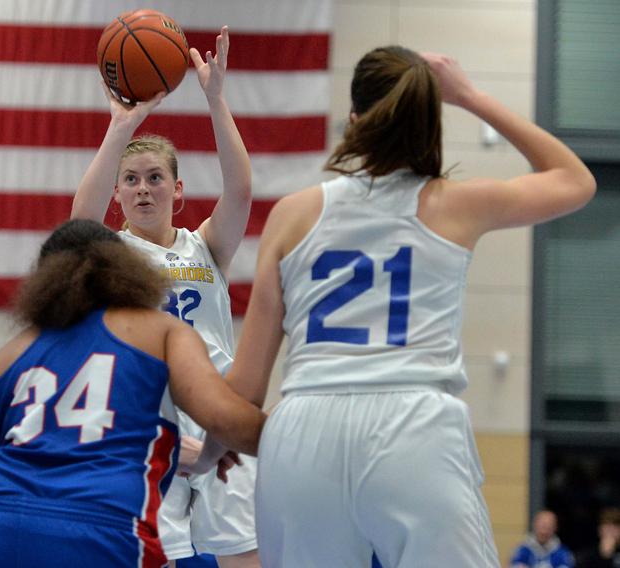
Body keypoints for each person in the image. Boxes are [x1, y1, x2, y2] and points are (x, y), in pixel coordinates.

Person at [222, 45, 597, 567]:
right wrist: (471, 96)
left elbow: (244, 388)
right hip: (410, 427)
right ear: (427, 123)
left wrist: (206, 442)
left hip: (303, 425)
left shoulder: (292, 215)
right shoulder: (455, 203)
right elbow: (576, 180)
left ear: (353, 123)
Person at [0, 219, 266, 568]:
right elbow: (224, 418)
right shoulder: (159, 332)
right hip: (103, 529)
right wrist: (286, 438)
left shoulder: (6, 358)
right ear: (126, 268)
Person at [72, 26, 260, 568]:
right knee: (161, 559)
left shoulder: (207, 245)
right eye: (130, 179)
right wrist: (122, 125)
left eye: (156, 178)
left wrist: (215, 98)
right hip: (153, 427)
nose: (143, 187)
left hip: (221, 421)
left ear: (177, 191)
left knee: (246, 557)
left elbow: (241, 189)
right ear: (118, 193)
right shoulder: (112, 253)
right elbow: (79, 222)